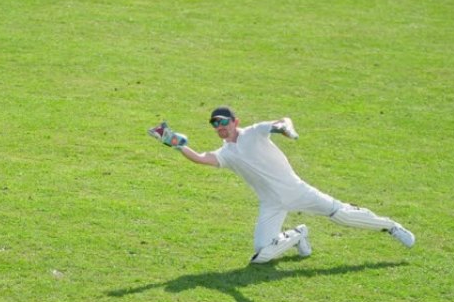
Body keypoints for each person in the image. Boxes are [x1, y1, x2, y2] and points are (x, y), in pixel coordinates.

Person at [148, 106, 415, 264]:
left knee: (343, 216)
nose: (220, 127)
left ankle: (391, 226)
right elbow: (199, 158)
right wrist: (174, 142)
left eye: (224, 122)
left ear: (235, 122)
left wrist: (288, 130)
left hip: (298, 191)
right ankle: (298, 234)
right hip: (271, 204)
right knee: (261, 255)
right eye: (215, 124)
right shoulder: (226, 154)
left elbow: (281, 121)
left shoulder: (253, 132)